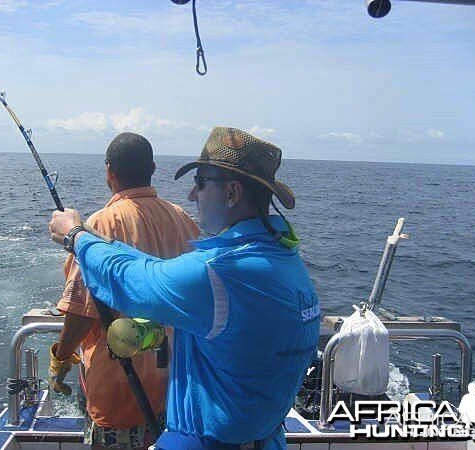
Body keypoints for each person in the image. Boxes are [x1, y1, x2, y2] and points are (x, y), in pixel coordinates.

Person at [49, 127, 321, 450]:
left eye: (201, 183)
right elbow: (155, 271)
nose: (192, 195)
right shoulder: (288, 263)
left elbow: (136, 277)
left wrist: (76, 236)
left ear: (232, 193)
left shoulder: (221, 273)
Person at [49, 132, 200, 450]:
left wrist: (61, 358)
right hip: (175, 386)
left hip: (118, 391)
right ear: (153, 168)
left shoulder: (98, 226)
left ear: (109, 171)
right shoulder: (184, 219)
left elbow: (80, 311)